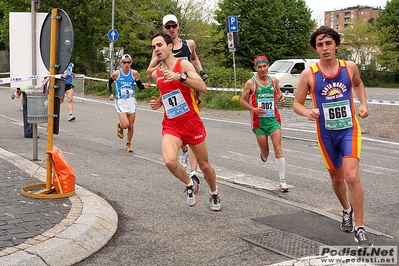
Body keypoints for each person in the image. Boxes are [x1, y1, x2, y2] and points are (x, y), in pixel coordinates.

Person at [293, 26, 371, 248]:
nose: (325, 48)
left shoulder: (349, 67)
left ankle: (360, 228)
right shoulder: (309, 74)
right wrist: (308, 112)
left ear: (336, 45)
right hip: (326, 134)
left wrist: (363, 104)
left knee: (352, 177)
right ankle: (346, 209)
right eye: (320, 44)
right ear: (316, 48)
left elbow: (358, 84)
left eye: (328, 43)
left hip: (349, 129)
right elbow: (297, 104)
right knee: (337, 179)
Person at [149, 33, 221, 211]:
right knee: (169, 162)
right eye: (153, 47)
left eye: (159, 45)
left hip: (191, 122)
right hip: (172, 124)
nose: (156, 49)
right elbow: (168, 93)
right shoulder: (158, 72)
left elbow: (202, 88)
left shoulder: (184, 65)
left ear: (170, 46)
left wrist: (180, 77)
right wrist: (160, 101)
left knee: (204, 165)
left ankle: (214, 193)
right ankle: (189, 185)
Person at [147, 14, 209, 182]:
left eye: (174, 25)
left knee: (189, 123)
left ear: (178, 26)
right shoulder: (159, 49)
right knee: (177, 126)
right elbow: (150, 73)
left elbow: (194, 58)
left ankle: (194, 171)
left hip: (188, 87)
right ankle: (183, 151)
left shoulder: (188, 44)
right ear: (164, 29)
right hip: (172, 91)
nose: (171, 29)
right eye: (168, 27)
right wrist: (161, 95)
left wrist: (199, 71)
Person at [240, 56, 288, 192]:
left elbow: (279, 93)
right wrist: (254, 109)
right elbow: (242, 101)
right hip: (259, 122)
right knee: (266, 152)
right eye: (259, 67)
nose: (262, 69)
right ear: (255, 68)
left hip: (273, 120)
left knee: (278, 147)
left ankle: (283, 180)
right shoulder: (251, 83)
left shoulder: (274, 80)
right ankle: (263, 154)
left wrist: (281, 98)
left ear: (268, 66)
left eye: (264, 66)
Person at [108, 54, 150, 153]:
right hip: (121, 101)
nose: (126, 64)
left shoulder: (134, 73)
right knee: (126, 124)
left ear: (131, 63)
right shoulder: (116, 74)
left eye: (128, 62)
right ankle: (120, 126)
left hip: (131, 101)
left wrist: (145, 86)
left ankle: (128, 144)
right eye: (124, 62)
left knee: (131, 125)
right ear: (121, 63)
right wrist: (111, 94)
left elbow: (139, 86)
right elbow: (109, 83)